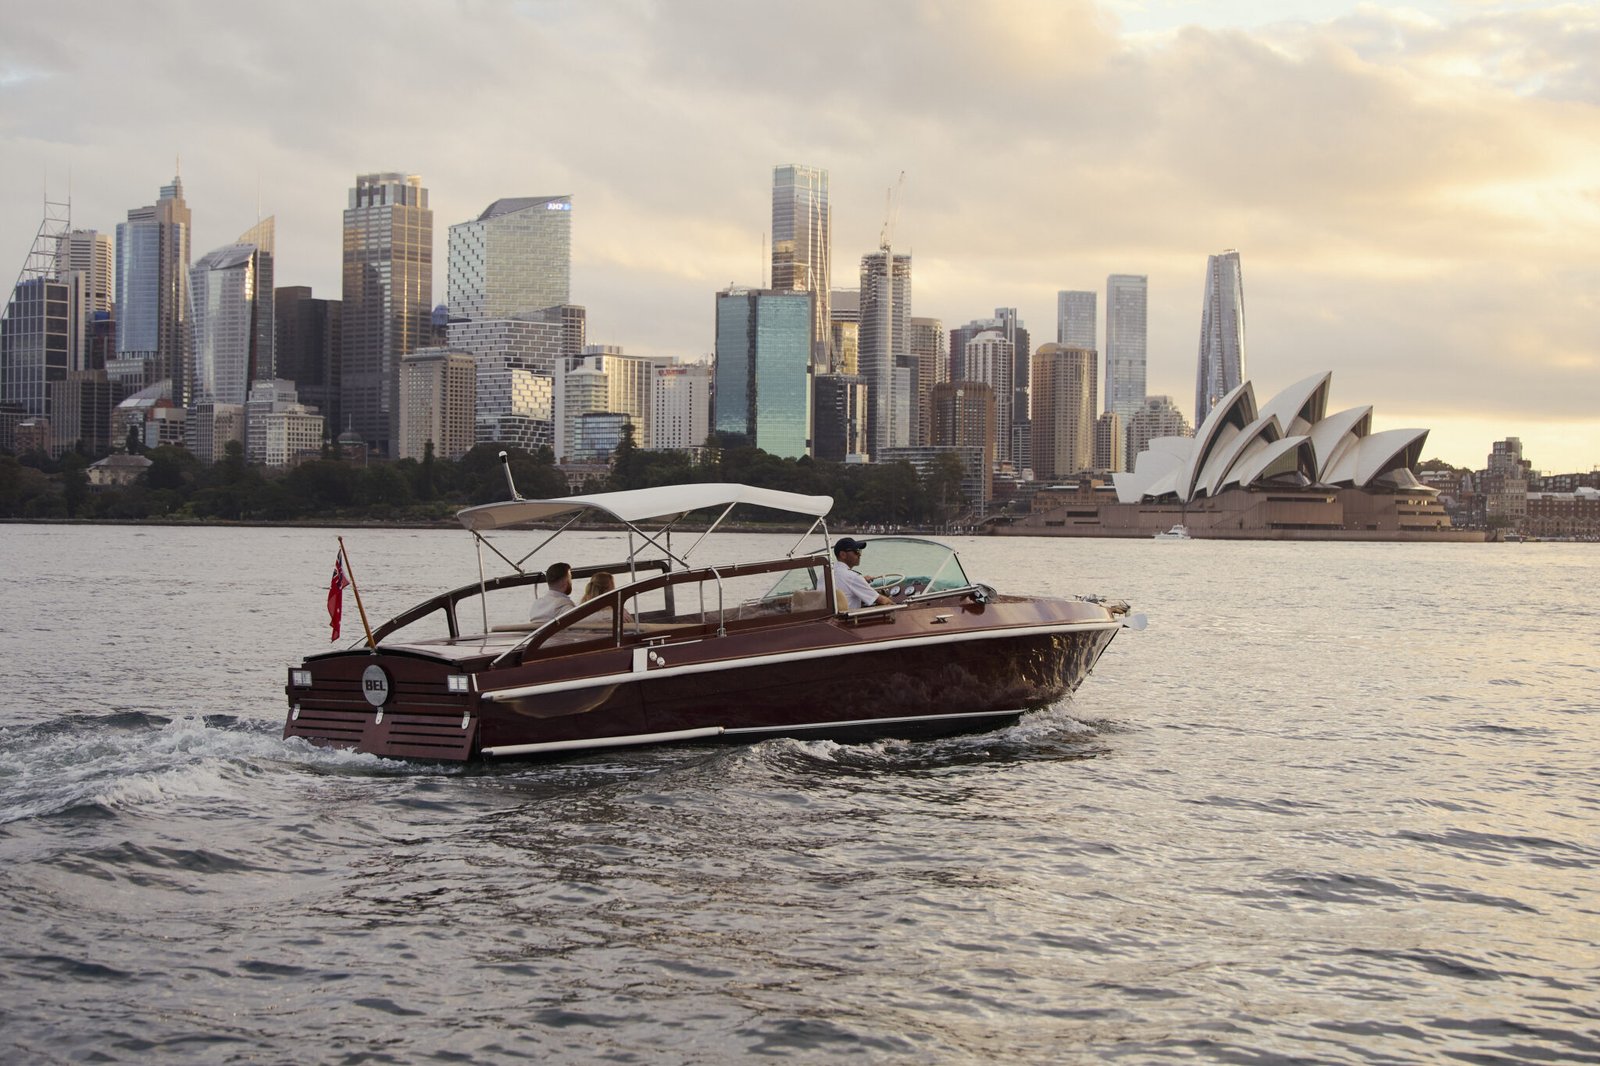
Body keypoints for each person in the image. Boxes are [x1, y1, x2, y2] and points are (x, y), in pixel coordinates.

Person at [832, 537, 892, 610]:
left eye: (860, 551)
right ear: (843, 555)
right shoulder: (853, 577)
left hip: (830, 618)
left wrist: (862, 580)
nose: (859, 555)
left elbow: (843, 585)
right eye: (856, 551)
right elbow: (883, 601)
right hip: (849, 620)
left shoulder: (825, 575)